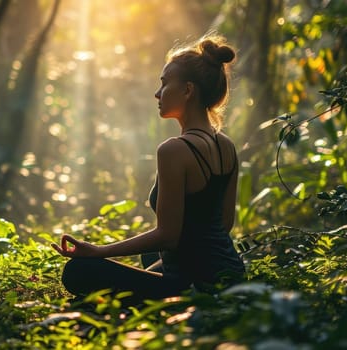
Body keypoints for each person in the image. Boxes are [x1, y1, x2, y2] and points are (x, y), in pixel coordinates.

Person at [51, 33, 245, 303]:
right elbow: (224, 224)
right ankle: (161, 284)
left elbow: (167, 236)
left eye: (164, 84)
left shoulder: (174, 150)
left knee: (79, 270)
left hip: (194, 284)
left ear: (188, 90)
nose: (157, 93)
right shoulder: (227, 146)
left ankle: (165, 294)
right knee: (152, 256)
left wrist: (97, 251)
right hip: (231, 274)